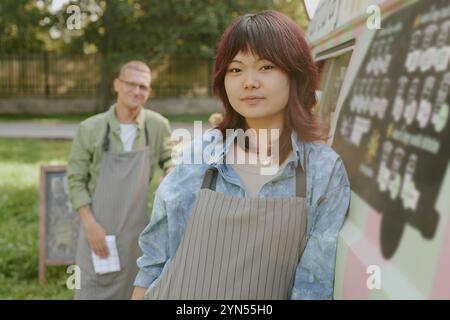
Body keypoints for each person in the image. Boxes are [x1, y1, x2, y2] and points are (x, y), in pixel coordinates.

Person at [131, 10, 350, 300]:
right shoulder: (202, 153)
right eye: (235, 69)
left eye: (266, 66)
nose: (249, 82)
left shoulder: (323, 170)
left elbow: (313, 286)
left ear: (295, 74)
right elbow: (154, 260)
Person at [67, 60, 174, 299]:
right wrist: (90, 225)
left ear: (149, 92)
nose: (136, 91)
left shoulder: (157, 126)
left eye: (143, 87)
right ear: (117, 84)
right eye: (131, 84)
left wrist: (171, 170)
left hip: (136, 236)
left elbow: (170, 158)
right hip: (96, 229)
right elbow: (75, 180)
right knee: (90, 292)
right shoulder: (90, 128)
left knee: (134, 292)